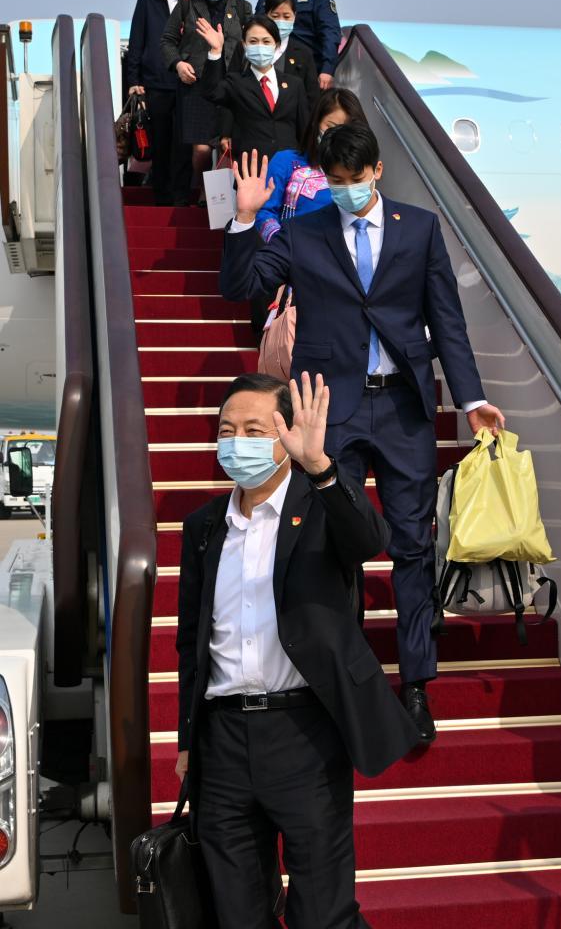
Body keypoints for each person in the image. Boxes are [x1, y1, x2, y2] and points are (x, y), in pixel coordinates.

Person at [219, 129, 505, 744]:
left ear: (377, 169)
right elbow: (243, 286)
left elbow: (446, 321)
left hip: (403, 408)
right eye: (336, 182)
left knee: (412, 544)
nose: (346, 191)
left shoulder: (419, 229)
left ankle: (416, 685)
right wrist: (243, 219)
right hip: (330, 410)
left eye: (355, 179)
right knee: (335, 547)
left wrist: (471, 399)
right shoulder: (304, 232)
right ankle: (348, 683)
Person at [175, 371, 418, 929]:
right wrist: (189, 739)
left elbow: (370, 540)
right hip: (223, 740)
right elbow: (192, 641)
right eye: (227, 430)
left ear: (286, 434)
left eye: (254, 430)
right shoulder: (204, 527)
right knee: (237, 912)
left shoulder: (321, 505)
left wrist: (320, 466)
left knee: (323, 913)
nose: (237, 442)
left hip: (304, 731)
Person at [161, 0, 253, 201]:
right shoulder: (187, 5)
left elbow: (254, 39)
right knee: (201, 150)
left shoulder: (242, 7)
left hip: (232, 87)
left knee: (228, 145)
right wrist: (178, 64)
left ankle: (220, 197)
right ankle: (203, 188)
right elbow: (167, 41)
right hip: (196, 88)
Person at [126, 0, 194, 206]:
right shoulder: (147, 0)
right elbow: (136, 42)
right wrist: (133, 80)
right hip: (156, 83)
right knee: (161, 142)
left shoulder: (197, 1)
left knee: (184, 144)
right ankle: (162, 196)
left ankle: (181, 196)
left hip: (189, 84)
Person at [255, 87, 367, 242]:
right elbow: (264, 212)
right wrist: (283, 246)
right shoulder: (285, 161)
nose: (338, 136)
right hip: (293, 252)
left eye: (346, 130)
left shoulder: (363, 173)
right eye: (331, 127)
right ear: (316, 123)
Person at [197, 15, 309, 165]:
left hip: (290, 167)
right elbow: (211, 92)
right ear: (244, 45)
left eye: (266, 41)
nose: (260, 46)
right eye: (253, 41)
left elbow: (305, 129)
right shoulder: (236, 82)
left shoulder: (294, 84)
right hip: (251, 168)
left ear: (276, 45)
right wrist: (216, 51)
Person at [264, 0, 319, 108]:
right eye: (275, 16)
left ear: (295, 16)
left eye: (286, 16)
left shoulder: (304, 54)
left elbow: (312, 99)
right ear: (266, 15)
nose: (281, 21)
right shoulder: (248, 48)